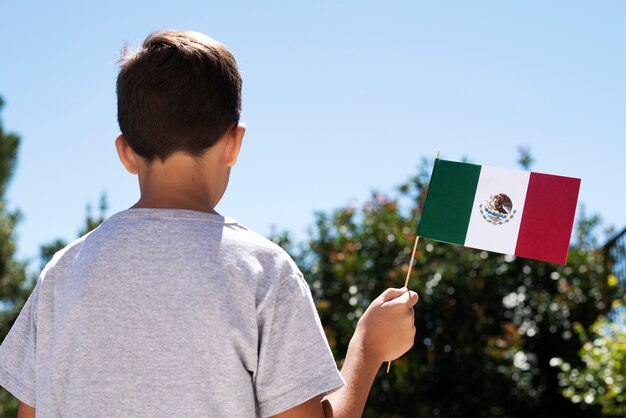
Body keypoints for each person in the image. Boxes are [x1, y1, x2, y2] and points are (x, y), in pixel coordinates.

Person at [0, 30, 418, 418]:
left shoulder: (62, 273)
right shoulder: (263, 272)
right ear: (234, 142)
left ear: (125, 152)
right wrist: (368, 348)